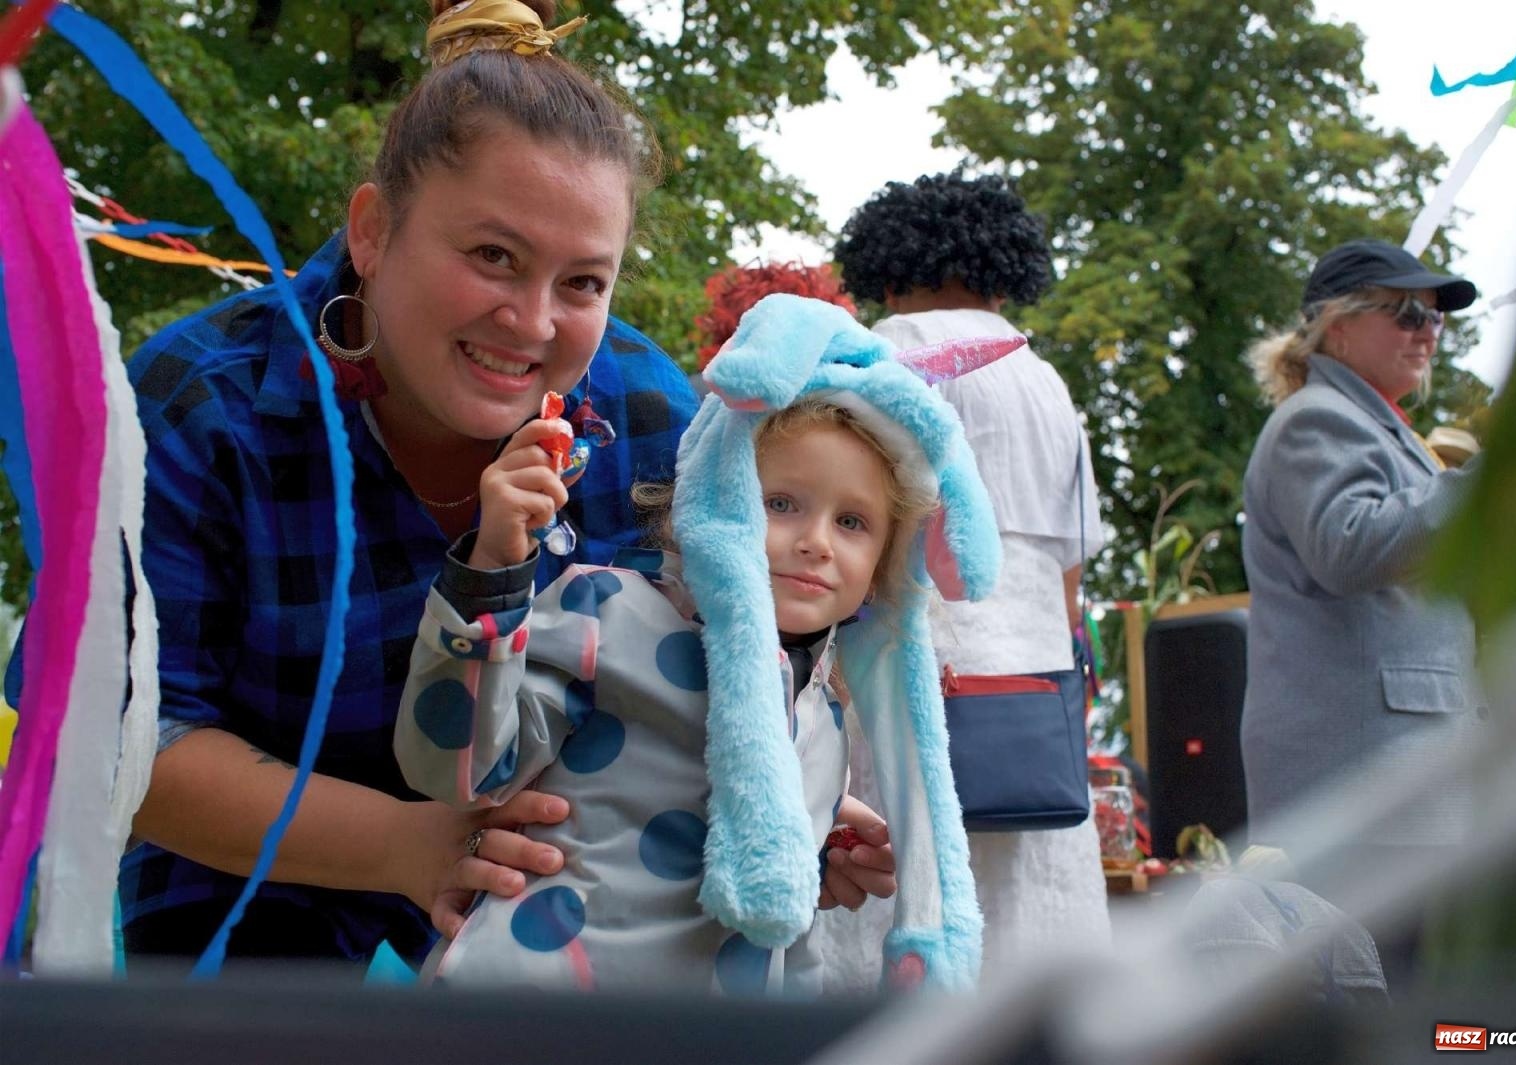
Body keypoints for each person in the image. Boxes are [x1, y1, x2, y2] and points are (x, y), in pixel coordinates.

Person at [3, 0, 888, 969]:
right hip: (241, 886)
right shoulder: (200, 404)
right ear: (373, 231)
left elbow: (706, 667)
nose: (533, 321)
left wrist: (787, 796)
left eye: (582, 283)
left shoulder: (649, 419)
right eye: (493, 257)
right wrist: (401, 844)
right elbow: (112, 729)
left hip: (556, 894)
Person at [395, 294, 1003, 991]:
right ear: (718, 495)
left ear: (885, 563)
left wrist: (821, 842)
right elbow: (459, 769)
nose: (817, 542)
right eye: (781, 503)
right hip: (538, 1009)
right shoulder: (609, 612)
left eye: (853, 522)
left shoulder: (824, 702)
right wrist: (491, 576)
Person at [818, 173, 1112, 985]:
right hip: (1034, 691)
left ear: (890, 269)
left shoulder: (887, 353)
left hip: (913, 661)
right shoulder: (1046, 380)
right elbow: (1071, 565)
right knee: (1031, 914)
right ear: (1001, 272)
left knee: (907, 890)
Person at [1240, 239, 1489, 973]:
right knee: (1393, 1000)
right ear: (1336, 326)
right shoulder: (1316, 418)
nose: (1427, 331)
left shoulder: (1370, 424)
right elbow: (1350, 547)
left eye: (1436, 317)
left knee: (1412, 1000)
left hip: (1393, 784)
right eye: (1406, 312)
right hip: (1367, 790)